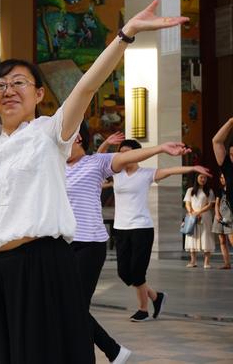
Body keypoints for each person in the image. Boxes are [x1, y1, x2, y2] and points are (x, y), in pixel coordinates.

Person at [0, 0, 187, 363]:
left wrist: (126, 34)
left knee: (45, 353)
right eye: (0, 85)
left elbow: (86, 86)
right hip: (1, 267)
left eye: (19, 83)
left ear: (39, 93)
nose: (8, 90)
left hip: (43, 261)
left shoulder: (50, 132)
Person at [67, 126, 192, 363]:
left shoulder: (99, 164)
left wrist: (163, 148)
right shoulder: (57, 166)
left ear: (77, 137)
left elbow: (126, 157)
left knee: (75, 306)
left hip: (93, 242)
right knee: (70, 305)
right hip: (70, 243)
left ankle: (116, 344)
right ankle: (114, 350)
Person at [113, 139, 210, 322]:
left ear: (137, 154)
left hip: (141, 228)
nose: (123, 156)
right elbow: (98, 160)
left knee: (137, 273)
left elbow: (170, 171)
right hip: (121, 228)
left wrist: (192, 169)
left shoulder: (146, 174)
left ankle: (143, 310)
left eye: (127, 152)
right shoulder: (117, 173)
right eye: (121, 152)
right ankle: (157, 298)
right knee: (124, 273)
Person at [184, 174, 216, 268]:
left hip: (205, 216)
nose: (203, 179)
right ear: (196, 178)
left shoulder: (209, 191)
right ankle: (193, 261)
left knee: (206, 237)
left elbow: (210, 205)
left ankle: (206, 262)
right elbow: (187, 203)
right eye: (201, 177)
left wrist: (199, 212)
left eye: (205, 178)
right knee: (192, 237)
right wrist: (192, 212)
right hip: (192, 216)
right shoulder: (190, 190)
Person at [213, 174, 233, 269]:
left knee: (232, 240)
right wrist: (217, 214)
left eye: (224, 177)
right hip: (219, 217)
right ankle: (227, 263)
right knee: (222, 241)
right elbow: (217, 203)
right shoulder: (219, 189)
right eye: (220, 177)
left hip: (230, 217)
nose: (222, 179)